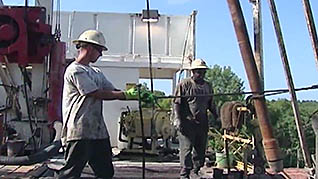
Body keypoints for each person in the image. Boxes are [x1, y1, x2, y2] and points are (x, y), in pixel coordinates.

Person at [58, 29, 138, 179]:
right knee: (71, 173)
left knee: (105, 172)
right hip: (79, 131)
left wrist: (136, 95)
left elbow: (112, 90)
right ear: (89, 47)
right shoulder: (75, 70)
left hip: (98, 132)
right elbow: (95, 93)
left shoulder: (96, 72)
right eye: (100, 50)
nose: (101, 54)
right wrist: (125, 94)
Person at [173, 58, 218, 179]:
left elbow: (211, 104)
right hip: (187, 123)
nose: (201, 74)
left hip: (202, 123)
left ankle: (196, 170)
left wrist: (217, 117)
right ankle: (185, 174)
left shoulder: (208, 86)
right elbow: (177, 102)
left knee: (200, 150)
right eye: (198, 71)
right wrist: (178, 119)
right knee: (186, 149)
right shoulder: (184, 84)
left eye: (203, 71)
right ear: (193, 71)